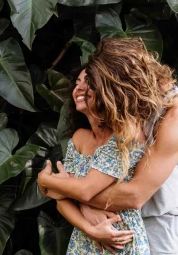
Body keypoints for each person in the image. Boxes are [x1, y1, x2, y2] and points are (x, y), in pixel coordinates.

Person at [38, 38, 178, 254]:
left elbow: (134, 196)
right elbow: (89, 183)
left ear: (121, 84)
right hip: (104, 218)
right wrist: (81, 204)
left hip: (158, 223)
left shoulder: (173, 114)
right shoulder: (130, 107)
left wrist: (56, 185)